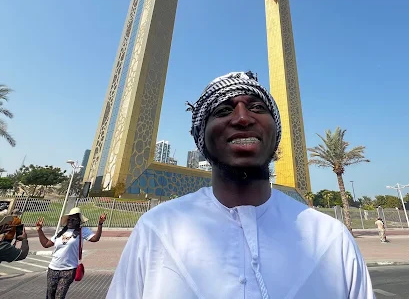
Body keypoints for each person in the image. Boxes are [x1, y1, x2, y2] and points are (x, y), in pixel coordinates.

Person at [108, 71, 375, 298]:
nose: (242, 118)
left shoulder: (330, 238)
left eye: (257, 107)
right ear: (202, 136)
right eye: (224, 110)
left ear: (275, 131)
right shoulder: (158, 230)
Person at [36, 207, 107, 299]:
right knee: (50, 296)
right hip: (53, 269)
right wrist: (39, 230)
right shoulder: (61, 232)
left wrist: (100, 224)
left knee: (59, 296)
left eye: (73, 220)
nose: (70, 221)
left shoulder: (82, 231)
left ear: (78, 221)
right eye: (69, 219)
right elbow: (46, 244)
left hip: (68, 270)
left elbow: (95, 238)